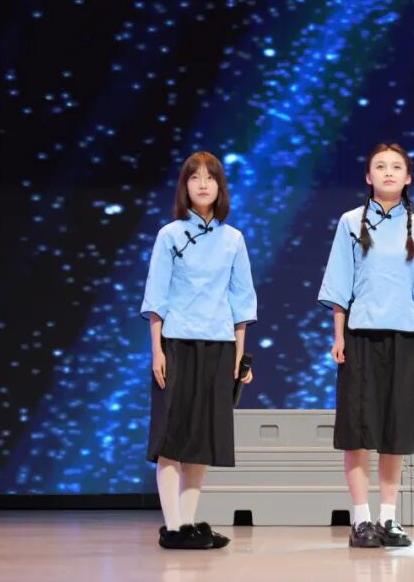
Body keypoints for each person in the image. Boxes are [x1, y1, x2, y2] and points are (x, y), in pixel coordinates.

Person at [318, 143, 414, 548]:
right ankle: (361, 520)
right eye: (380, 166)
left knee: (397, 430)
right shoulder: (350, 222)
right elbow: (339, 284)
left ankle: (389, 519)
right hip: (360, 337)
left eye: (396, 167)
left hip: (404, 339)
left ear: (408, 177)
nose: (388, 172)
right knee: (358, 431)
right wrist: (338, 336)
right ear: (368, 176)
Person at [141, 151, 257, 549]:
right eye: (195, 177)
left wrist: (240, 356)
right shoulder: (169, 235)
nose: (203, 184)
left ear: (220, 187)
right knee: (171, 437)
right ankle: (172, 527)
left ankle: (189, 523)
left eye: (211, 177)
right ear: (185, 186)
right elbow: (156, 297)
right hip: (176, 343)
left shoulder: (233, 239)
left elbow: (242, 301)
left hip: (220, 345)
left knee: (202, 439)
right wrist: (157, 351)